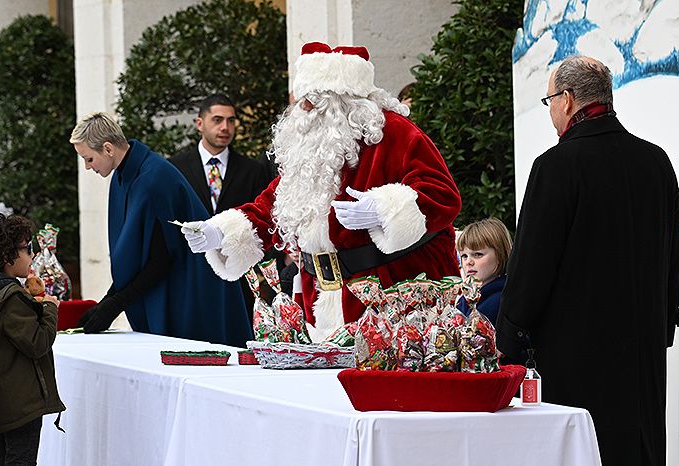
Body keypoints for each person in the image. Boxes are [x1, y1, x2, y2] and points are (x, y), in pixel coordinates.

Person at [182, 42, 461, 341]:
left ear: (341, 101)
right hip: (317, 299)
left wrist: (385, 210)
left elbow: (443, 195)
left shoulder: (395, 132)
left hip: (389, 297)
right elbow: (274, 206)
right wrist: (221, 233)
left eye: (310, 100)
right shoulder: (309, 149)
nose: (302, 109)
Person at [495, 56, 679, 466]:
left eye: (549, 103)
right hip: (642, 356)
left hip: (575, 357)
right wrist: (662, 328)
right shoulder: (656, 162)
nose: (550, 115)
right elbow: (674, 260)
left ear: (566, 99)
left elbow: (531, 269)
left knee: (583, 452)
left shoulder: (556, 167)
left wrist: (506, 341)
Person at [70, 112, 251, 346]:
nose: (86, 167)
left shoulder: (153, 178)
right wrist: (110, 301)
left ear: (108, 148)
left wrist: (114, 304)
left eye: (89, 159)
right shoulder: (122, 176)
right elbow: (136, 255)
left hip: (191, 292)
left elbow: (162, 257)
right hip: (168, 284)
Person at [169, 94, 272, 321]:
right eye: (217, 120)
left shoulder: (253, 170)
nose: (225, 127)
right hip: (188, 279)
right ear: (199, 123)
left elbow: (264, 221)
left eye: (231, 120)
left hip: (238, 282)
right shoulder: (175, 168)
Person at [0, 214, 65, 465]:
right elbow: (37, 342)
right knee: (20, 459)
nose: (32, 255)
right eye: (26, 249)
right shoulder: (12, 297)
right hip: (19, 406)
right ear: (7, 256)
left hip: (4, 403)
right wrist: (49, 308)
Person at [456, 217, 512, 325]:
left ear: (500, 255)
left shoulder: (503, 301)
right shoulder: (464, 299)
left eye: (477, 254)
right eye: (464, 256)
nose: (468, 262)